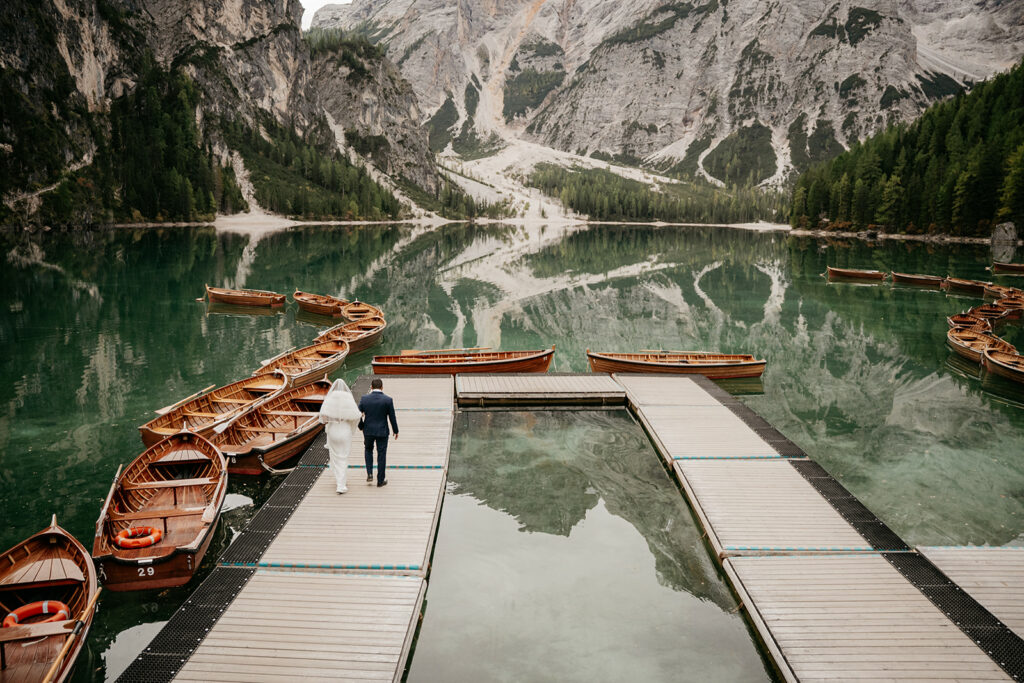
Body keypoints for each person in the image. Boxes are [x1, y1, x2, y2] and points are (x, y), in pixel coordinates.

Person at [318, 379, 361, 494]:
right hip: (344, 430)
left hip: (333, 430)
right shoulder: (347, 398)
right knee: (343, 456)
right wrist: (351, 427)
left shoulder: (331, 398)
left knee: (335, 456)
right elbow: (356, 416)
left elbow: (323, 418)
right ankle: (341, 485)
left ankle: (339, 481)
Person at [358, 378, 398, 487]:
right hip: (382, 431)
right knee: (381, 454)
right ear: (382, 387)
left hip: (368, 430)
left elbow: (357, 414)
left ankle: (370, 473)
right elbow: (392, 417)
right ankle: (380, 481)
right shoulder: (388, 400)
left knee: (368, 450)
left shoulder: (364, 399)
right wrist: (395, 430)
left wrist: (361, 425)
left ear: (371, 387)